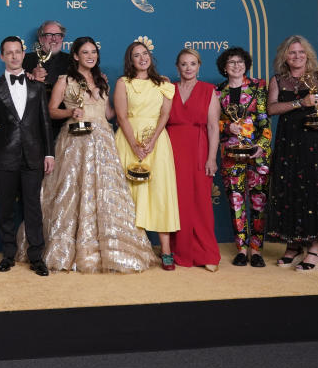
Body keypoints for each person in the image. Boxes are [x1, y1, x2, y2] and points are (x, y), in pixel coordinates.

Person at [39, 37, 157, 273]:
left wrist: (130, 110)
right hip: (75, 142)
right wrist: (71, 111)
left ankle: (110, 251)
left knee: (105, 194)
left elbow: (109, 114)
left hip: (102, 141)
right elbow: (51, 111)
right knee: (73, 193)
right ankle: (70, 251)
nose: (90, 56)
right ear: (75, 56)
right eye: (85, 52)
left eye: (93, 52)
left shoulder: (102, 81)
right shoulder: (65, 80)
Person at [265, 35, 318, 270]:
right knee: (290, 192)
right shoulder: (278, 80)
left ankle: (315, 249)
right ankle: (293, 245)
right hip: (288, 145)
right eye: (292, 53)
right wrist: (299, 103)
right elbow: (271, 109)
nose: (297, 56)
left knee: (317, 194)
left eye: (301, 52)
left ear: (308, 55)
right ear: (285, 57)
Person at [0, 36, 54, 275]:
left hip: (33, 154)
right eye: (8, 53)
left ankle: (36, 257)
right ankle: (8, 255)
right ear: (2, 57)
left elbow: (45, 121)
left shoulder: (37, 86)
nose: (13, 56)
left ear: (23, 54)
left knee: (33, 208)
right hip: (5, 155)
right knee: (7, 209)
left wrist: (49, 154)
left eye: (17, 52)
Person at [114, 41, 180, 270]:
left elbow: (165, 114)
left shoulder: (163, 83)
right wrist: (134, 144)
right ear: (129, 60)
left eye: (145, 54)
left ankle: (166, 251)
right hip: (128, 140)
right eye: (136, 55)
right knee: (130, 194)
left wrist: (151, 142)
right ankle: (134, 248)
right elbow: (121, 116)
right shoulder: (124, 83)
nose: (142, 58)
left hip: (158, 142)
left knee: (160, 193)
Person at [215, 47, 271, 267]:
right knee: (235, 202)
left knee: (259, 202)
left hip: (257, 154)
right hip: (230, 153)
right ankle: (241, 248)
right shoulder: (218, 91)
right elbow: (214, 124)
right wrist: (228, 127)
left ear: (246, 64)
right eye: (231, 62)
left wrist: (262, 145)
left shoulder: (258, 87)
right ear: (224, 67)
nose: (236, 65)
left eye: (240, 61)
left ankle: (256, 250)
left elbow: (265, 119)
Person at [168, 49, 221, 271]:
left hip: (199, 150)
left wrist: (211, 158)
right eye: (183, 64)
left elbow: (213, 127)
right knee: (177, 202)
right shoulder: (168, 90)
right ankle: (179, 252)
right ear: (177, 67)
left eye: (192, 63)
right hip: (171, 149)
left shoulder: (209, 91)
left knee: (201, 202)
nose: (188, 68)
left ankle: (207, 253)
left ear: (199, 66)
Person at [23, 20, 71, 139]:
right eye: (49, 35)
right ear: (40, 39)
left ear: (62, 38)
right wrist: (30, 78)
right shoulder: (25, 60)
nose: (54, 39)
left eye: (58, 35)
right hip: (34, 124)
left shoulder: (72, 62)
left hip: (63, 125)